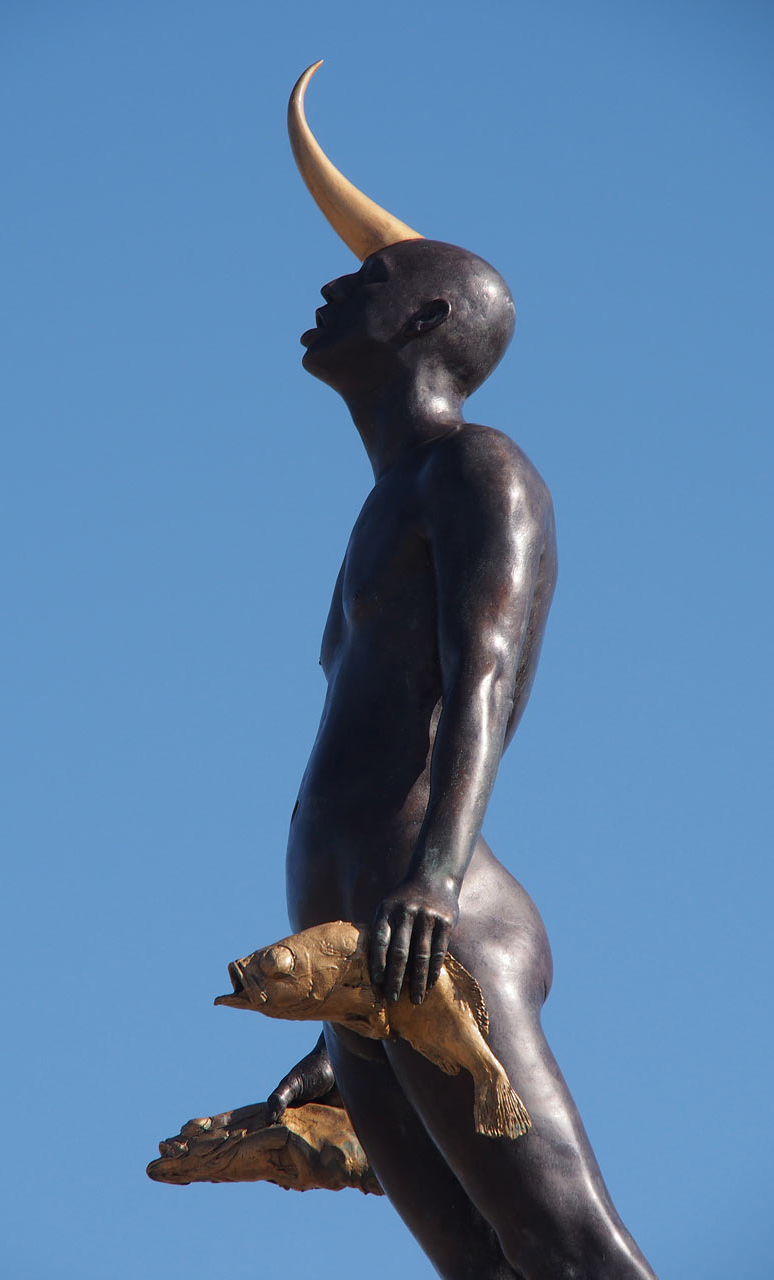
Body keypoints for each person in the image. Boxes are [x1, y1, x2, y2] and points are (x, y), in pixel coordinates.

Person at [266, 64, 657, 1280]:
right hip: (361, 944)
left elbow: (484, 674)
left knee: (570, 1246)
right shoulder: (381, 507)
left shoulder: (477, 469)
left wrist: (433, 880)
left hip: (434, 922)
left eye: (369, 281)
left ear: (431, 319)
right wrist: (337, 1036)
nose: (333, 285)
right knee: (483, 1267)